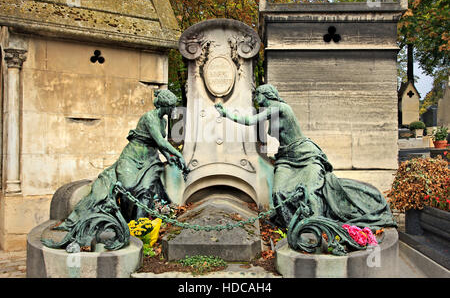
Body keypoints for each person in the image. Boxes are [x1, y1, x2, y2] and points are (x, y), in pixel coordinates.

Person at [215, 84, 396, 233]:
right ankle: (292, 229)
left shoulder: (279, 107)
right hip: (286, 158)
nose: (256, 99)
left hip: (305, 154)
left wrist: (226, 114)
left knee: (310, 191)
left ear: (266, 95)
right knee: (278, 192)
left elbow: (250, 121)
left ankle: (317, 227)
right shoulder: (273, 111)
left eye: (258, 96)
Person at [43, 89, 187, 251]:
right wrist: (178, 155)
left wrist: (170, 158)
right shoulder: (150, 117)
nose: (173, 110)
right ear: (165, 105)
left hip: (149, 160)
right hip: (132, 157)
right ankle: (122, 222)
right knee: (127, 187)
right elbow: (161, 142)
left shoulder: (163, 122)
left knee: (146, 189)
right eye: (172, 106)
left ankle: (138, 227)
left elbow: (159, 146)